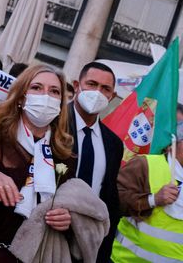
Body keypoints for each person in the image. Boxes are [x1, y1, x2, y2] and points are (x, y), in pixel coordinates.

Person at [0, 64, 75, 262]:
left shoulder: (63, 153)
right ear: (21, 97)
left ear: (60, 104)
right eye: (37, 88)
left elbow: (66, 206)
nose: (46, 96)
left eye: (54, 91)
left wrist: (66, 218)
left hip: (33, 255)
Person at [69, 61, 124, 263]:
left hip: (88, 243)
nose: (98, 92)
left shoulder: (113, 144)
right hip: (50, 233)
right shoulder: (53, 125)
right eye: (92, 84)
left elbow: (108, 195)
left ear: (112, 96)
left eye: (105, 88)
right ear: (77, 85)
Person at [112, 120, 183, 262]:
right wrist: (152, 200)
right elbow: (113, 200)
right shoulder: (145, 164)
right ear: (174, 144)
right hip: (127, 259)